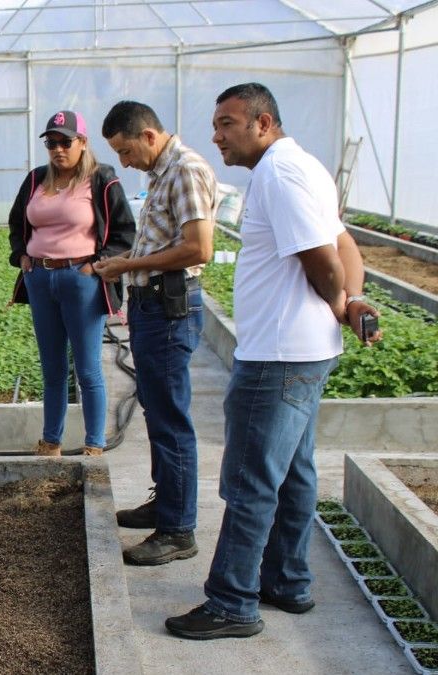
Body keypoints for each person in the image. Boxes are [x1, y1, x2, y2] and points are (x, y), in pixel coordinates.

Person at [166, 83, 383, 639]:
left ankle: (232, 602)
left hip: (278, 355)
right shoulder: (305, 166)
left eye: (227, 124)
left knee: (250, 481)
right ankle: (287, 581)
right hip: (303, 353)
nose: (216, 136)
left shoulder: (280, 174)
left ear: (263, 123)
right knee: (293, 472)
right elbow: (347, 245)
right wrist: (352, 301)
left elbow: (327, 261)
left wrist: (339, 297)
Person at [95, 101, 217, 566]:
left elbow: (197, 247)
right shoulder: (162, 173)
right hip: (152, 305)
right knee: (156, 411)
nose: (124, 163)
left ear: (148, 135)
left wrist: (129, 264)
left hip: (169, 308)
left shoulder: (185, 170)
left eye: (126, 151)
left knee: (170, 420)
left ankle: (178, 530)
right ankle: (166, 504)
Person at [7, 110, 135, 457]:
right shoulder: (36, 180)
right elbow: (17, 221)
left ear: (82, 143)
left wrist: (97, 266)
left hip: (81, 280)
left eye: (66, 142)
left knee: (88, 367)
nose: (58, 149)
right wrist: (22, 256)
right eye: (51, 142)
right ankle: (51, 441)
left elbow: (125, 232)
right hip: (40, 278)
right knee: (51, 367)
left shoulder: (100, 179)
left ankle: (93, 443)